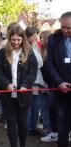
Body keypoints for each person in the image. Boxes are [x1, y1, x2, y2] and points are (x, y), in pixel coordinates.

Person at [0, 25, 37, 147]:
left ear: (23, 39)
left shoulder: (29, 52)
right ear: (9, 39)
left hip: (24, 95)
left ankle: (22, 144)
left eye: (18, 40)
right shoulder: (2, 53)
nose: (16, 42)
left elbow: (33, 72)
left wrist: (25, 85)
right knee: (11, 123)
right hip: (8, 95)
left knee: (22, 123)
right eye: (13, 39)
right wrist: (6, 84)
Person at [46, 11, 71, 147]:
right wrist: (59, 82)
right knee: (62, 119)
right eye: (63, 27)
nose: (65, 30)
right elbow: (49, 63)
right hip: (61, 87)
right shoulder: (54, 38)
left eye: (68, 28)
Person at [25, 27, 51, 136]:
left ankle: (32, 126)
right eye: (34, 35)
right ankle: (29, 128)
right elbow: (39, 63)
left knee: (36, 105)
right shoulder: (28, 48)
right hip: (33, 80)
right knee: (33, 105)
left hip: (39, 79)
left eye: (36, 35)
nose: (36, 37)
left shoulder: (35, 46)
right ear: (28, 37)